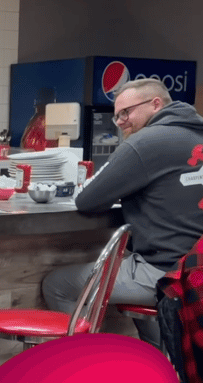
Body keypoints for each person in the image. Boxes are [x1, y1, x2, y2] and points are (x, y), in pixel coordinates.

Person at [43, 78, 203, 348]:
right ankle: (159, 366)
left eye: (126, 112)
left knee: (57, 285)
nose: (119, 122)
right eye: (116, 115)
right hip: (195, 273)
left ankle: (80, 368)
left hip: (166, 273)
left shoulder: (144, 142)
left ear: (155, 104)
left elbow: (87, 200)